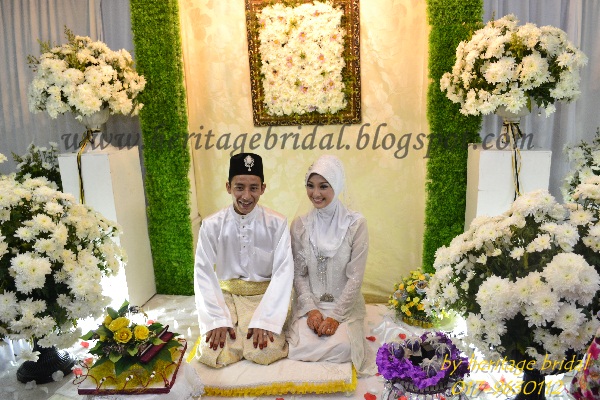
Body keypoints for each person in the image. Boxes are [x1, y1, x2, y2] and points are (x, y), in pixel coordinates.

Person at [193, 153, 294, 368]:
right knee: (214, 352)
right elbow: (203, 272)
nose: (246, 196)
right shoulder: (212, 225)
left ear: (263, 188)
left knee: (265, 350)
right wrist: (216, 319)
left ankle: (253, 330)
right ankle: (231, 329)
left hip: (263, 297)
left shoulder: (277, 223)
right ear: (228, 187)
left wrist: (266, 319)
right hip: (225, 297)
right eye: (239, 187)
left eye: (253, 188)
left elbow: (284, 272)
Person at [286, 155, 376, 376]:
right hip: (311, 306)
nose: (315, 193)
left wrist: (335, 317)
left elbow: (355, 277)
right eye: (310, 185)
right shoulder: (300, 225)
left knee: (345, 348)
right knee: (295, 346)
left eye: (323, 186)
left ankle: (343, 334)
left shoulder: (355, 225)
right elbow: (299, 274)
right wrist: (311, 310)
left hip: (343, 306)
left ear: (337, 185)